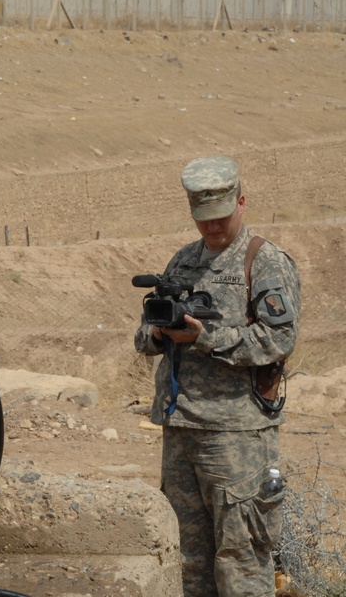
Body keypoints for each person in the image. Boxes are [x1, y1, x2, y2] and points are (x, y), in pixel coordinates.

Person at [134, 155, 301, 596]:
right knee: (188, 563)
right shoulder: (183, 261)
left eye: (221, 216)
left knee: (241, 561)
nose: (212, 226)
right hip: (182, 429)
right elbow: (144, 335)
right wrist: (157, 332)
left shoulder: (264, 262)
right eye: (203, 217)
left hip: (236, 436)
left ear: (241, 202)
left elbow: (279, 340)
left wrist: (205, 338)